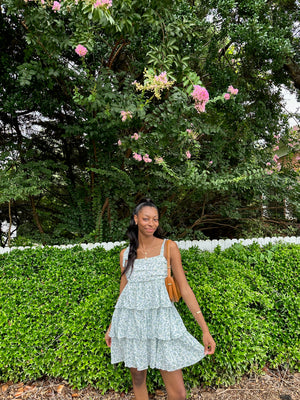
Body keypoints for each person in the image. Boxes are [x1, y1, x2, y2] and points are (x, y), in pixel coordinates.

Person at [105, 199, 216, 400]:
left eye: (155, 219)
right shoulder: (125, 254)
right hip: (133, 326)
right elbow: (123, 295)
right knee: (138, 379)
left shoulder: (169, 247)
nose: (151, 223)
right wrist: (113, 327)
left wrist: (205, 330)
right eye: (146, 218)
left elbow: (185, 289)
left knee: (178, 393)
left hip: (163, 324)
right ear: (136, 219)